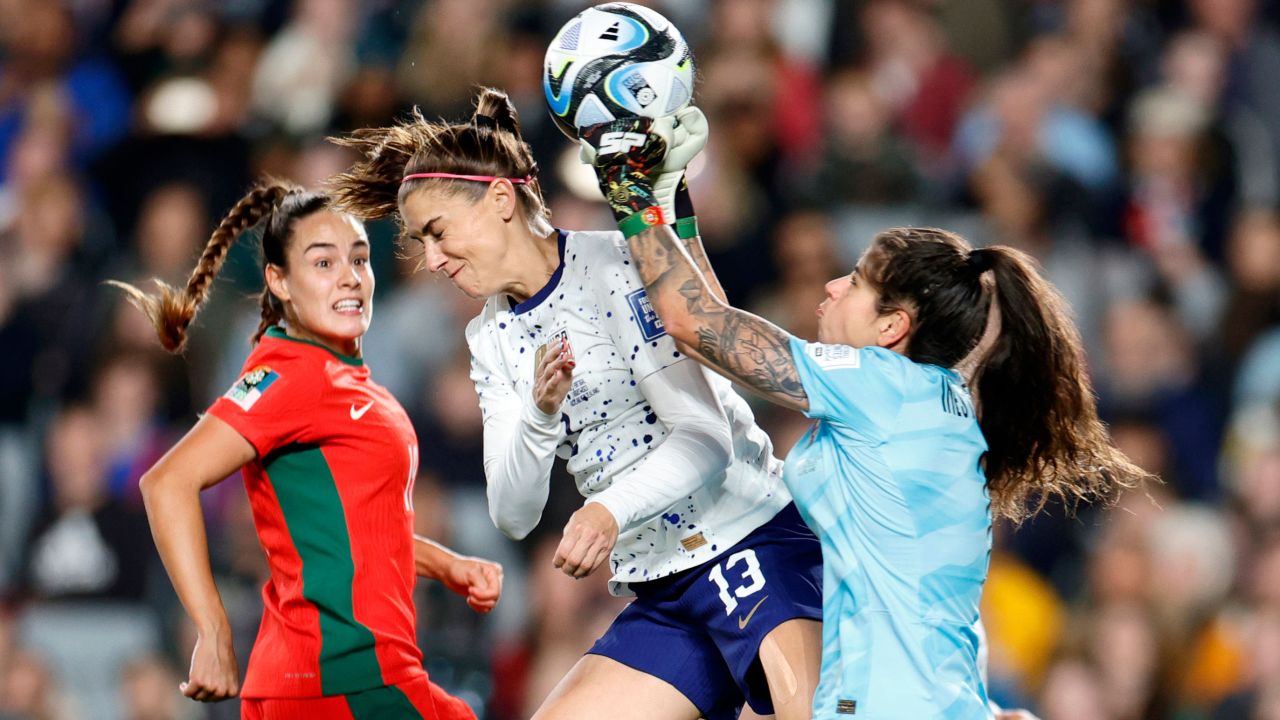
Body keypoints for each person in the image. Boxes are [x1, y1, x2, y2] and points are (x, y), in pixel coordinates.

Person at [576, 114, 1151, 719]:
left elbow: (694, 324)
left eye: (853, 282)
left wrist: (629, 189)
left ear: (892, 326)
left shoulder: (883, 387)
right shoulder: (930, 400)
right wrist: (672, 194)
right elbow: (711, 322)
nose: (829, 286)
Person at [327, 88, 824, 720]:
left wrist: (607, 512)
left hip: (752, 543)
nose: (429, 259)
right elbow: (512, 513)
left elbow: (704, 437)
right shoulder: (490, 339)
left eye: (437, 231)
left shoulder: (616, 266)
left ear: (500, 200)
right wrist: (538, 415)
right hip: (664, 587)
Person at [109, 182, 502, 719]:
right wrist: (214, 630)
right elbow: (166, 482)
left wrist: (446, 564)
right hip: (335, 680)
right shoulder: (288, 375)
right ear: (280, 281)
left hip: (347, 676)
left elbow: (351, 532)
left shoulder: (349, 381)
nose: (349, 276)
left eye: (359, 259)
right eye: (323, 263)